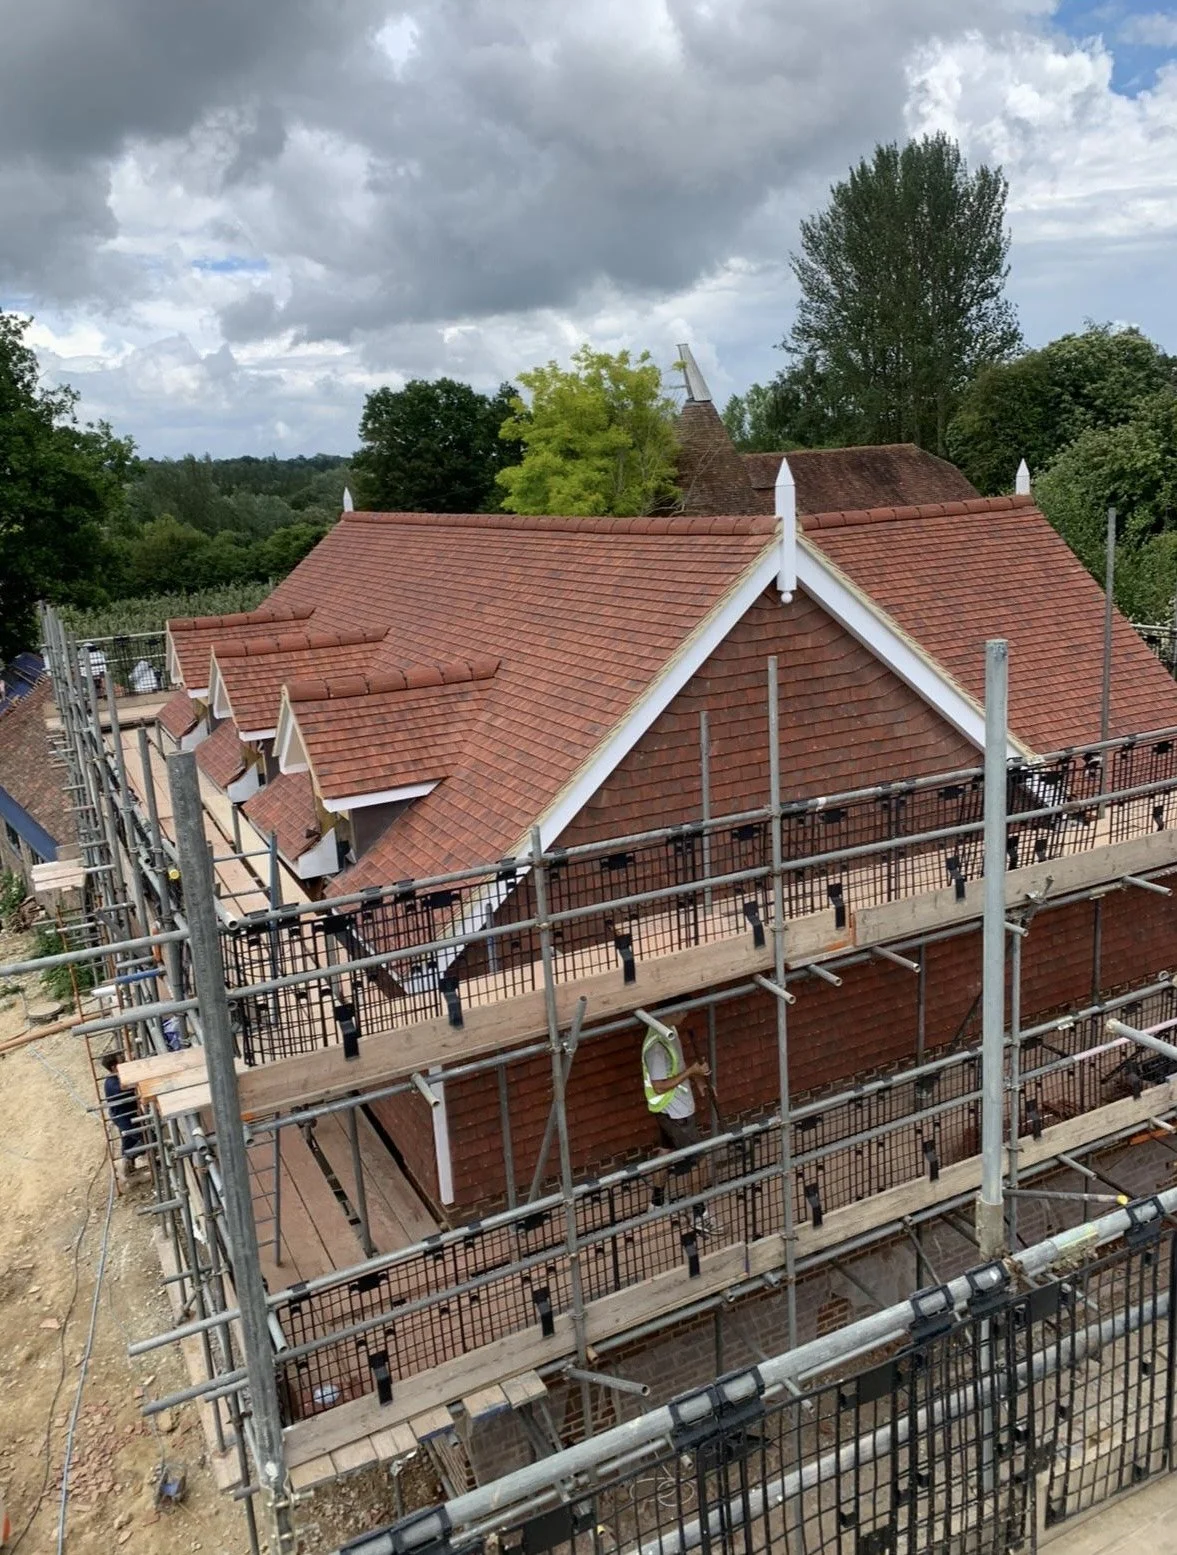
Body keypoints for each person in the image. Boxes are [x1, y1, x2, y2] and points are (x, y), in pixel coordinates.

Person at [101, 1051, 144, 1179]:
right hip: (124, 1118)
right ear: (114, 1067)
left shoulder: (114, 1079)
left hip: (125, 1115)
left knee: (129, 1140)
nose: (125, 1062)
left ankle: (126, 1168)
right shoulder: (113, 1083)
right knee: (148, 1138)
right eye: (122, 1061)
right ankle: (128, 1160)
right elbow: (130, 1087)